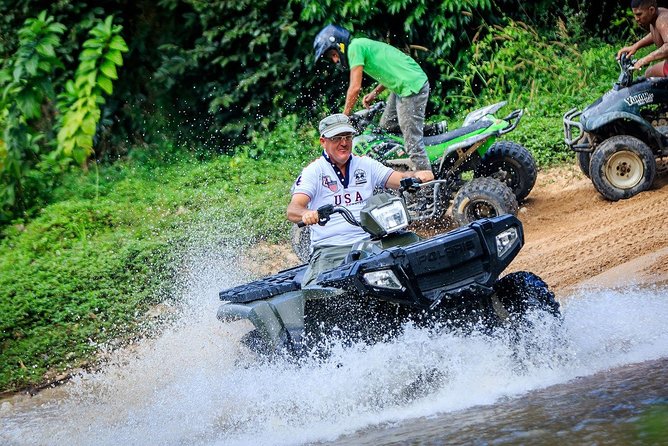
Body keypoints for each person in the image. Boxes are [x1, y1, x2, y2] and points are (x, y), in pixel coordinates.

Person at [287, 113, 433, 286]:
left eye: (347, 137)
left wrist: (416, 176)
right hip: (332, 249)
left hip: (371, 242)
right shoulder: (314, 172)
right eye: (337, 138)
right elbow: (293, 210)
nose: (344, 143)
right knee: (319, 290)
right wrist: (308, 214)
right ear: (323, 141)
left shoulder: (366, 164)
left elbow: (398, 178)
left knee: (419, 255)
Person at [313, 24, 435, 180]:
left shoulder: (354, 48)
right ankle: (429, 133)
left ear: (339, 45)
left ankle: (427, 182)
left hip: (411, 86)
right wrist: (374, 93)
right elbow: (390, 70)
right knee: (387, 125)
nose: (336, 60)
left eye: (333, 54)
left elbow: (355, 88)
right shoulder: (361, 45)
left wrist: (344, 118)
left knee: (411, 140)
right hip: (402, 85)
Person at [617, 0, 668, 77]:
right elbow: (658, 33)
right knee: (649, 73)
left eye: (639, 14)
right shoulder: (656, 17)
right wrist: (635, 46)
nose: (636, 19)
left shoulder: (662, 19)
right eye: (635, 15)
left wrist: (645, 60)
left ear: (651, 10)